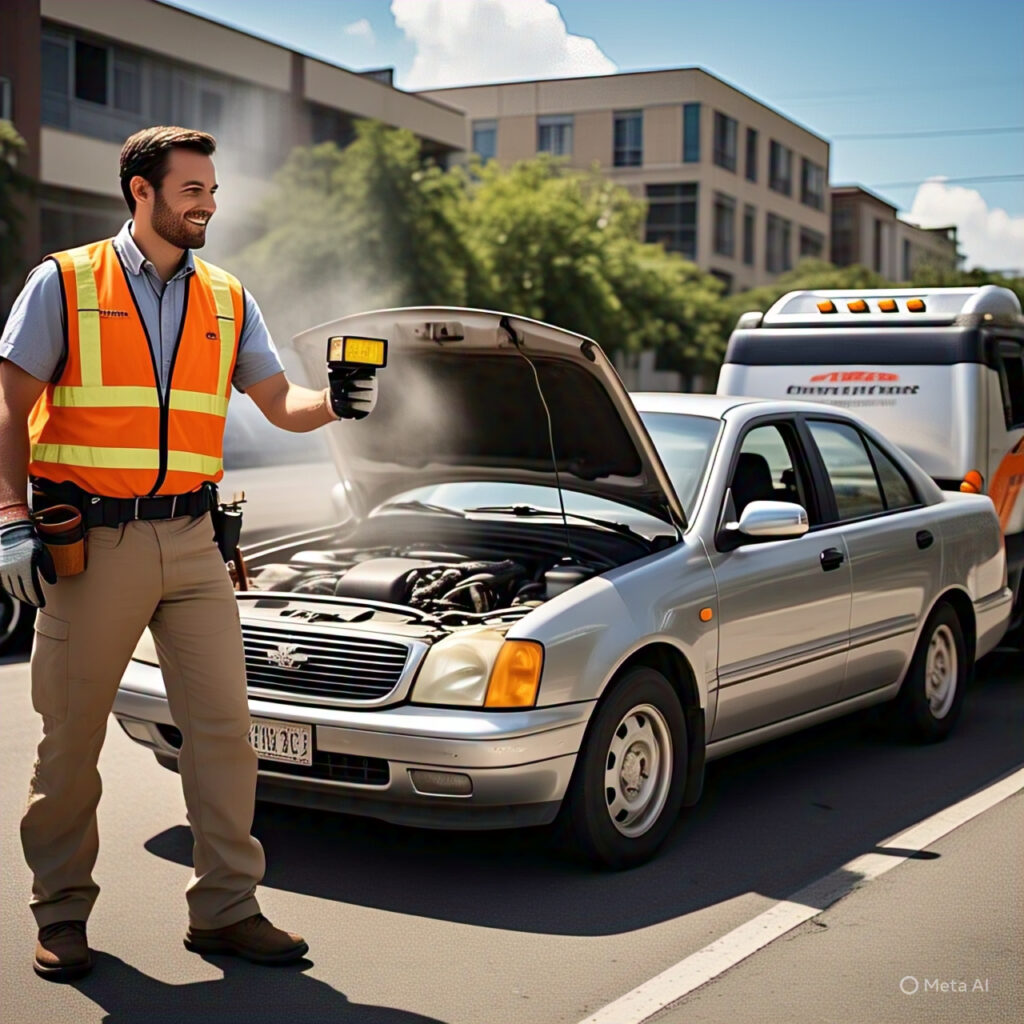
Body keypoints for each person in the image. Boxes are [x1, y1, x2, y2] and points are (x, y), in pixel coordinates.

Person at [0, 126, 375, 981]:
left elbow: (280, 403)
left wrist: (338, 402)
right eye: (192, 190)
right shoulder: (64, 281)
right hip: (92, 544)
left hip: (197, 544)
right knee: (71, 739)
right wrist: (9, 518)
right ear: (142, 191)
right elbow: (9, 404)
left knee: (224, 735)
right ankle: (61, 913)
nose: (208, 205)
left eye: (212, 191)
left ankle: (227, 910)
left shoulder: (229, 296)